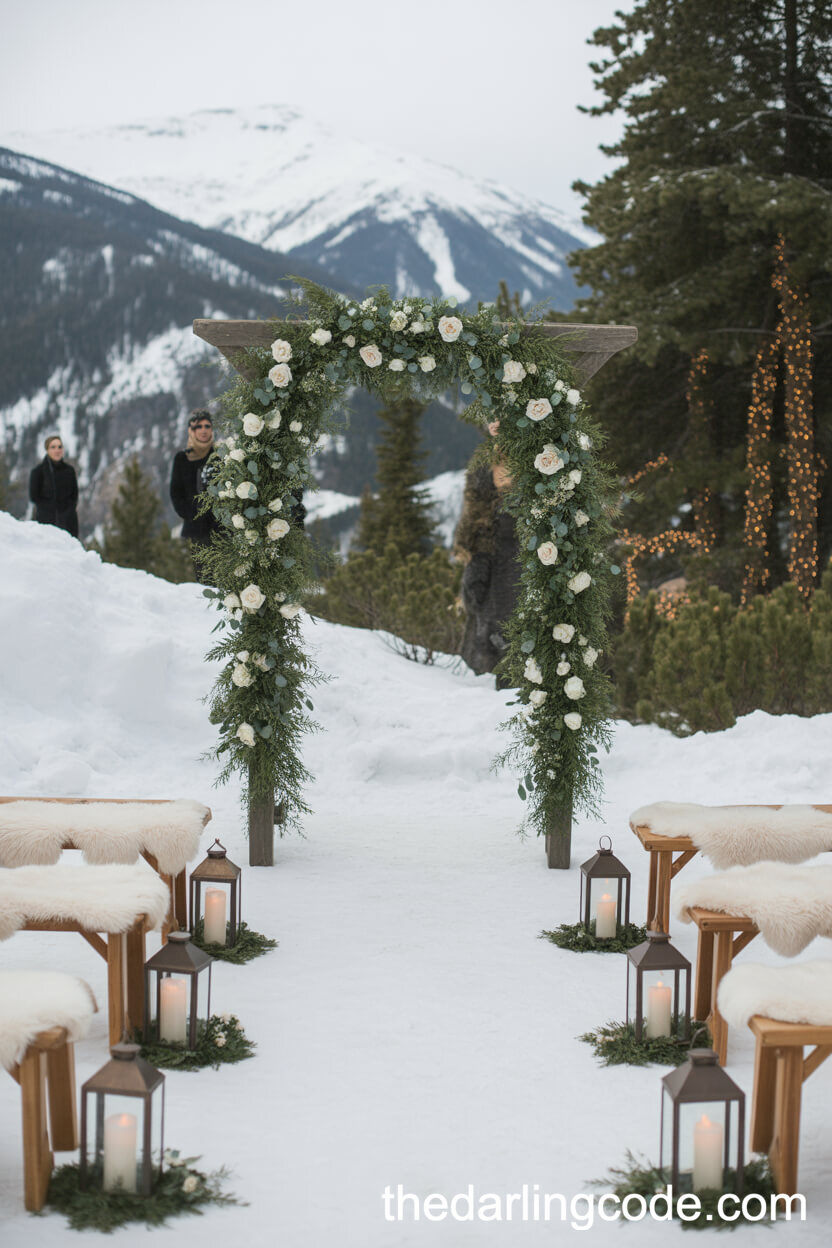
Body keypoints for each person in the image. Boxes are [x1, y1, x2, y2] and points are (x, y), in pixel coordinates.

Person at [454, 420, 521, 682]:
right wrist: (477, 560)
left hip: (529, 556)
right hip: (492, 556)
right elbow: (475, 516)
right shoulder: (483, 466)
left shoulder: (542, 459)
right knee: (487, 620)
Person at [169, 409, 221, 546]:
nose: (203, 430)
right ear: (191, 430)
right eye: (199, 426)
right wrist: (191, 514)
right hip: (195, 531)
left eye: (207, 426)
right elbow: (175, 492)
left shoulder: (219, 454)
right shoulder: (182, 459)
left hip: (221, 530)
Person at [29, 435, 79, 537]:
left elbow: (74, 494)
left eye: (60, 447)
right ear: (47, 449)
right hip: (46, 523)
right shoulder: (38, 472)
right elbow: (34, 496)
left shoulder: (69, 471)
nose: (57, 450)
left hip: (68, 524)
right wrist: (47, 508)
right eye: (53, 447)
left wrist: (69, 510)